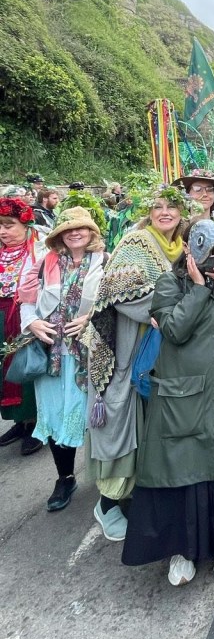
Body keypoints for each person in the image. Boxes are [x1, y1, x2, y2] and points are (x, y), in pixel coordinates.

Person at [122, 219, 214, 586]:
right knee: (182, 472)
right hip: (181, 396)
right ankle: (182, 552)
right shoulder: (169, 283)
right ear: (188, 249)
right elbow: (174, 330)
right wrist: (198, 289)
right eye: (208, 251)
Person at [85, 185, 189, 541]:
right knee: (119, 422)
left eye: (172, 207)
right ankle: (107, 505)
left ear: (181, 214)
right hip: (126, 351)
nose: (165, 212)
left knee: (145, 426)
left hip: (155, 351)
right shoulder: (137, 242)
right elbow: (119, 293)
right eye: (158, 207)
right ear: (149, 212)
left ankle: (134, 496)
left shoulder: (179, 247)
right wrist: (173, 311)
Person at [19, 208, 106, 510]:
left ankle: (109, 482)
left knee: (98, 418)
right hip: (52, 356)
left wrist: (92, 319)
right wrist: (32, 322)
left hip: (91, 355)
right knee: (56, 416)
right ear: (59, 235)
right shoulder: (45, 263)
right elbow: (26, 301)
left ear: (91, 232)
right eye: (67, 229)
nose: (74, 233)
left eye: (80, 227)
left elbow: (115, 306)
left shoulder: (105, 262)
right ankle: (65, 478)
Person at [0, 196, 44, 455]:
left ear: (25, 225)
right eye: (0, 226)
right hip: (2, 318)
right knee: (5, 373)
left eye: (9, 225)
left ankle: (35, 424)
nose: (3, 231)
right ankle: (19, 421)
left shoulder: (39, 250)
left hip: (24, 317)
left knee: (27, 369)